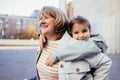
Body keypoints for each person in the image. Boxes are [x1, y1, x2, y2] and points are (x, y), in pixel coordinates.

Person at [40, 15, 112, 80]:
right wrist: (43, 34)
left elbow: (82, 48)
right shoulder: (71, 43)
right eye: (76, 32)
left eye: (84, 31)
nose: (81, 35)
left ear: (90, 31)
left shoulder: (92, 43)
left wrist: (56, 55)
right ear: (71, 34)